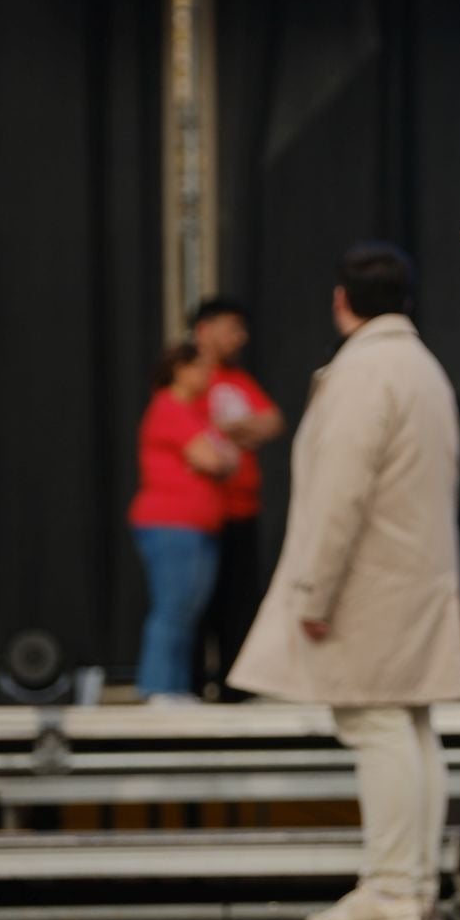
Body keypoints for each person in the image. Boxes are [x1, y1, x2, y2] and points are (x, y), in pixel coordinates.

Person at [228, 245, 460, 920]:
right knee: (410, 723)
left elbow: (339, 494)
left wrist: (313, 591)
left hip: (370, 576)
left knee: (377, 721)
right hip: (415, 570)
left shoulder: (363, 371)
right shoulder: (422, 367)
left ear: (342, 300)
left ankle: (393, 889)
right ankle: (414, 883)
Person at [128, 340, 239, 703]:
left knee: (188, 609)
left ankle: (175, 687)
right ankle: (157, 687)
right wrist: (215, 459)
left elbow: (228, 459)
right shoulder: (169, 407)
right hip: (171, 525)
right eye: (201, 368)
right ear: (181, 369)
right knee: (172, 607)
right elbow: (214, 460)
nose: (208, 375)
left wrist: (217, 457)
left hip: (200, 525)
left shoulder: (195, 413)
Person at [189, 297, 284, 701]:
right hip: (201, 514)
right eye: (232, 328)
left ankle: (235, 685)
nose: (240, 338)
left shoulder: (239, 380)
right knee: (195, 602)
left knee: (239, 601)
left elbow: (273, 421)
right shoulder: (190, 378)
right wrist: (239, 431)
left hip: (242, 511)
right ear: (204, 330)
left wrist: (230, 428)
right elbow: (192, 434)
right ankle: (190, 685)